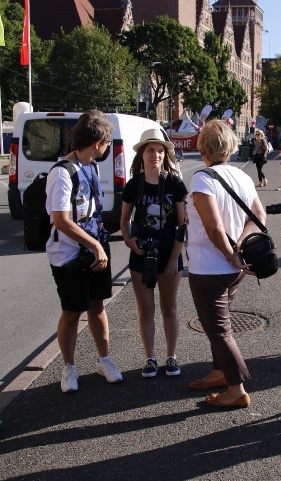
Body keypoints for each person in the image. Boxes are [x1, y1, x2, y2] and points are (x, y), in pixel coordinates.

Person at [186, 119, 267, 408]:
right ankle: (221, 372)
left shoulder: (202, 179)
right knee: (217, 324)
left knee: (219, 330)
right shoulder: (242, 177)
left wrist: (230, 252)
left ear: (202, 146)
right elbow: (259, 217)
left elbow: (214, 228)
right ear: (231, 145)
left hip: (210, 268)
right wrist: (240, 247)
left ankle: (237, 388)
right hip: (234, 270)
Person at [45, 109, 122, 393]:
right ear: (98, 142)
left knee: (97, 305)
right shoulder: (62, 174)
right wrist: (94, 245)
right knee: (72, 311)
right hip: (69, 256)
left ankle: (104, 360)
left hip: (94, 249)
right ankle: (69, 368)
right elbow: (61, 220)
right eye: (106, 142)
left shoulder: (91, 165)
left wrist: (96, 246)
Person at [120, 129, 187, 378]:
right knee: (145, 309)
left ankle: (171, 357)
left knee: (169, 308)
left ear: (165, 155)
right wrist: (128, 240)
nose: (155, 155)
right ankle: (150, 358)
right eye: (150, 150)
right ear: (142, 154)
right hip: (141, 254)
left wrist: (173, 258)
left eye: (160, 151)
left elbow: (182, 224)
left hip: (170, 252)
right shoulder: (133, 184)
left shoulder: (174, 183)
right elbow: (125, 219)